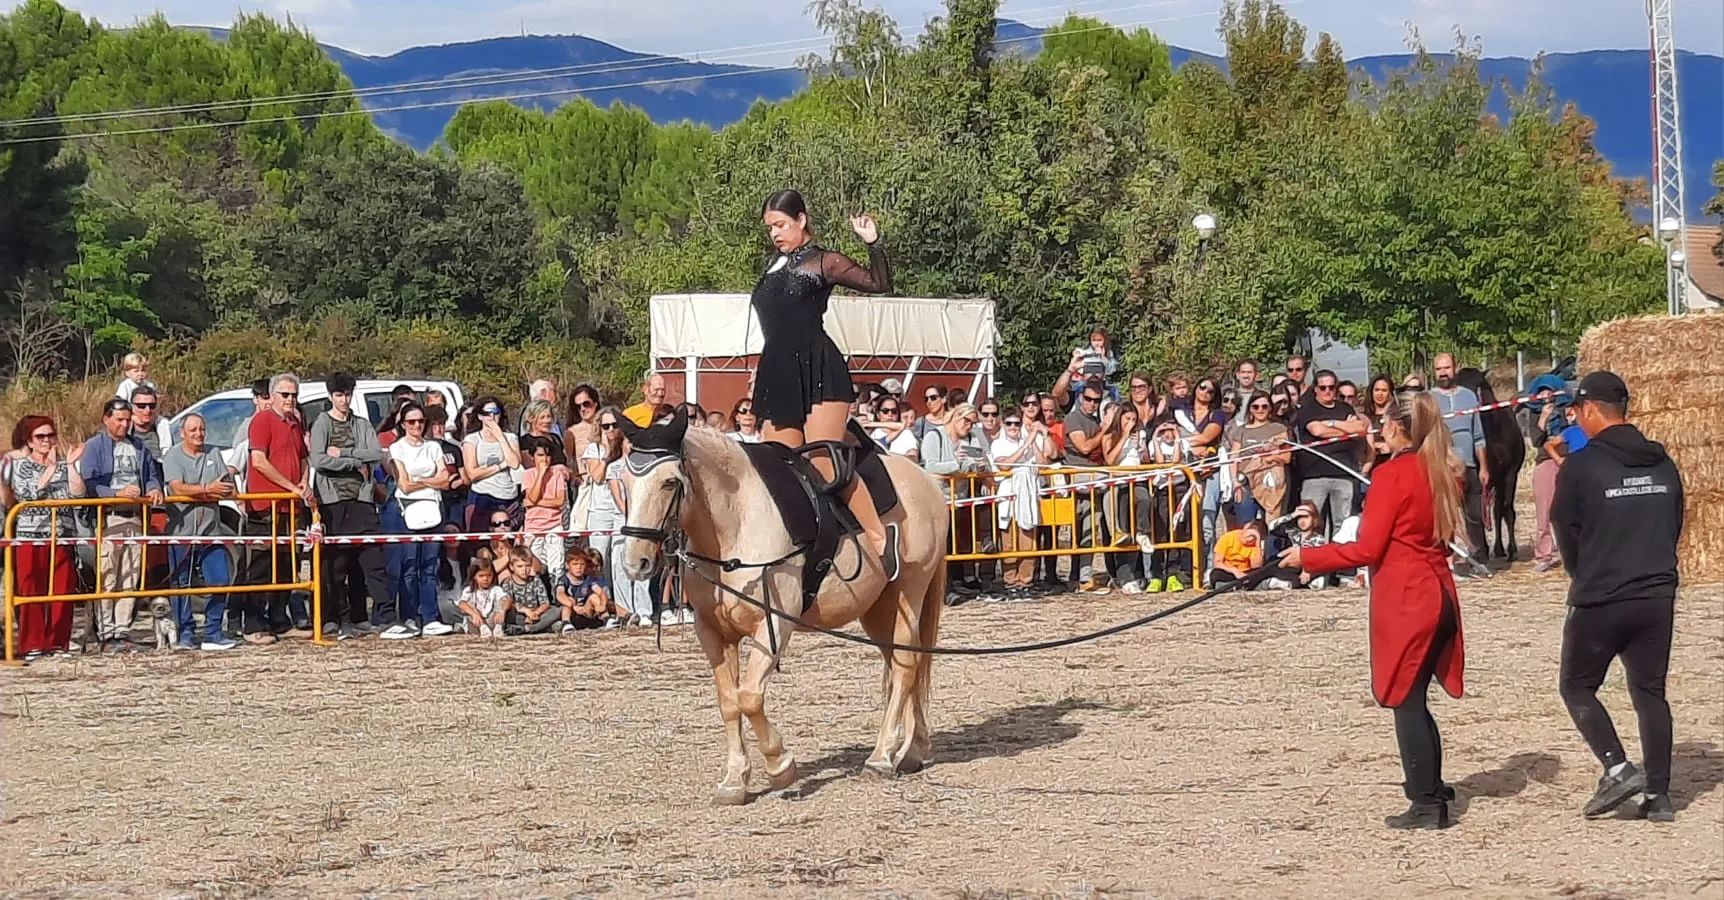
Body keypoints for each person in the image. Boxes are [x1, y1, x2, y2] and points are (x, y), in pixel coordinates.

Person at [1279, 388, 1466, 830]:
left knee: (1405, 699)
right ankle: (1432, 789)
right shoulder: (1438, 469)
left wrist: (1309, 556)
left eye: (1384, 423)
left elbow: (1366, 547)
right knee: (1415, 699)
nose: (1379, 430)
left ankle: (1425, 803)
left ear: (1399, 428)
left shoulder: (1394, 476)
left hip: (1407, 599)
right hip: (1436, 593)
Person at [1551, 371, 1685, 823]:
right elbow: (1675, 520)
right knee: (1651, 692)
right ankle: (1660, 795)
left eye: (1578, 411)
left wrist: (1581, 572)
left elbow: (1564, 529)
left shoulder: (1581, 466)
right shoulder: (1663, 463)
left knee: (1577, 686)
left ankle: (1618, 766)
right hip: (1656, 593)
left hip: (1602, 594)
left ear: (1590, 410)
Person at [746, 189, 899, 578]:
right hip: (777, 372)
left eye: (781, 225)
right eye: (770, 228)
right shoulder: (773, 266)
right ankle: (800, 548)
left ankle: (880, 537)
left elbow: (878, 283)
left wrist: (873, 244)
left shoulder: (823, 261)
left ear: (801, 220)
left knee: (822, 461)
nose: (776, 233)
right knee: (776, 468)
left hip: (817, 367)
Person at [308, 373, 392, 639]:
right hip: (333, 502)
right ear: (331, 396)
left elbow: (376, 454)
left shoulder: (362, 424)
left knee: (370, 561)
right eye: (339, 395)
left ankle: (376, 617)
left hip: (362, 500)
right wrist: (356, 463)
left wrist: (344, 454)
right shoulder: (322, 423)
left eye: (347, 394)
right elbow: (319, 460)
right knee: (336, 564)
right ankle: (334, 617)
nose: (344, 400)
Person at [80, 397, 164, 651]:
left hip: (135, 517)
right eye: (119, 420)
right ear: (106, 419)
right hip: (108, 518)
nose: (124, 425)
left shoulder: (139, 447)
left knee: (131, 574)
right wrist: (116, 494)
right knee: (108, 576)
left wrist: (154, 489)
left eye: (127, 420)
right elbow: (90, 482)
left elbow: (150, 475)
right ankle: (105, 633)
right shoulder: (95, 446)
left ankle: (122, 630)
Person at [1, 416, 84, 660]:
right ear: (30, 441)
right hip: (31, 536)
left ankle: (58, 642)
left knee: (62, 591)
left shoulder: (63, 464)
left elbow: (77, 495)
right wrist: (49, 469)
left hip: (62, 536)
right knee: (31, 591)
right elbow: (28, 494)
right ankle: (32, 643)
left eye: (50, 435)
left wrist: (68, 466)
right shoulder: (20, 465)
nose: (46, 441)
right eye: (40, 436)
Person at [161, 414, 238, 651]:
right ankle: (185, 633)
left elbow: (227, 487)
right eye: (193, 429)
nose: (198, 433)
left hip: (211, 530)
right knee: (182, 584)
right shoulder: (172, 456)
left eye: (202, 429)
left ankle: (213, 631)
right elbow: (177, 487)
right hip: (181, 530)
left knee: (220, 579)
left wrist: (215, 490)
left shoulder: (213, 453)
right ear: (182, 433)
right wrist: (207, 489)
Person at [244, 373, 312, 641]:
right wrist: (290, 486)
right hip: (265, 505)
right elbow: (259, 461)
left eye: (294, 395)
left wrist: (303, 485)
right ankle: (253, 624)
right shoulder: (262, 421)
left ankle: (279, 619)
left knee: (287, 564)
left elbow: (303, 458)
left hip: (290, 507)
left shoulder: (295, 422)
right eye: (284, 394)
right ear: (272, 396)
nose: (290, 399)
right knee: (261, 566)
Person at [387, 402, 456, 639]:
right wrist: (430, 479)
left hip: (433, 509)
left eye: (420, 421)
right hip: (407, 510)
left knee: (430, 565)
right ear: (403, 424)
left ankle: (430, 617)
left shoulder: (434, 447)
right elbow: (403, 483)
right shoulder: (397, 448)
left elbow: (446, 480)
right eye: (411, 422)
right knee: (408, 565)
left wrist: (422, 480)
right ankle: (409, 616)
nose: (417, 426)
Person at [1290, 369, 1368, 538]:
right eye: (1323, 387)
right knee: (1311, 524)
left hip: (1344, 473)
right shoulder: (1307, 408)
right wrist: (1345, 429)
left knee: (1344, 525)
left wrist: (1330, 423)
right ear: (1316, 389)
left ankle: (1341, 564)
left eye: (1331, 387)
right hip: (1314, 474)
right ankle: (1312, 562)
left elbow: (1360, 429)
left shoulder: (1345, 407)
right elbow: (1317, 430)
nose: (1327, 391)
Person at [1430, 353, 1489, 565]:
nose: (1443, 372)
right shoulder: (1429, 399)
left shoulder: (1469, 396)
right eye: (1439, 369)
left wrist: (1484, 466)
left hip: (1470, 465)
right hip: (1441, 467)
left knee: (1474, 514)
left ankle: (1479, 558)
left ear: (1455, 368)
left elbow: (1478, 435)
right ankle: (1448, 559)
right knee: (1445, 515)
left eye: (1446, 367)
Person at [457, 560, 509, 638]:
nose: (485, 579)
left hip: (492, 620)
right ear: (474, 576)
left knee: (502, 600)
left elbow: (507, 600)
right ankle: (483, 628)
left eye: (489, 575)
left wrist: (502, 611)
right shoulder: (469, 590)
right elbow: (462, 604)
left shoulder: (495, 589)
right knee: (468, 605)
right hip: (476, 621)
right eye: (481, 576)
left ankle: (498, 627)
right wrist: (474, 614)